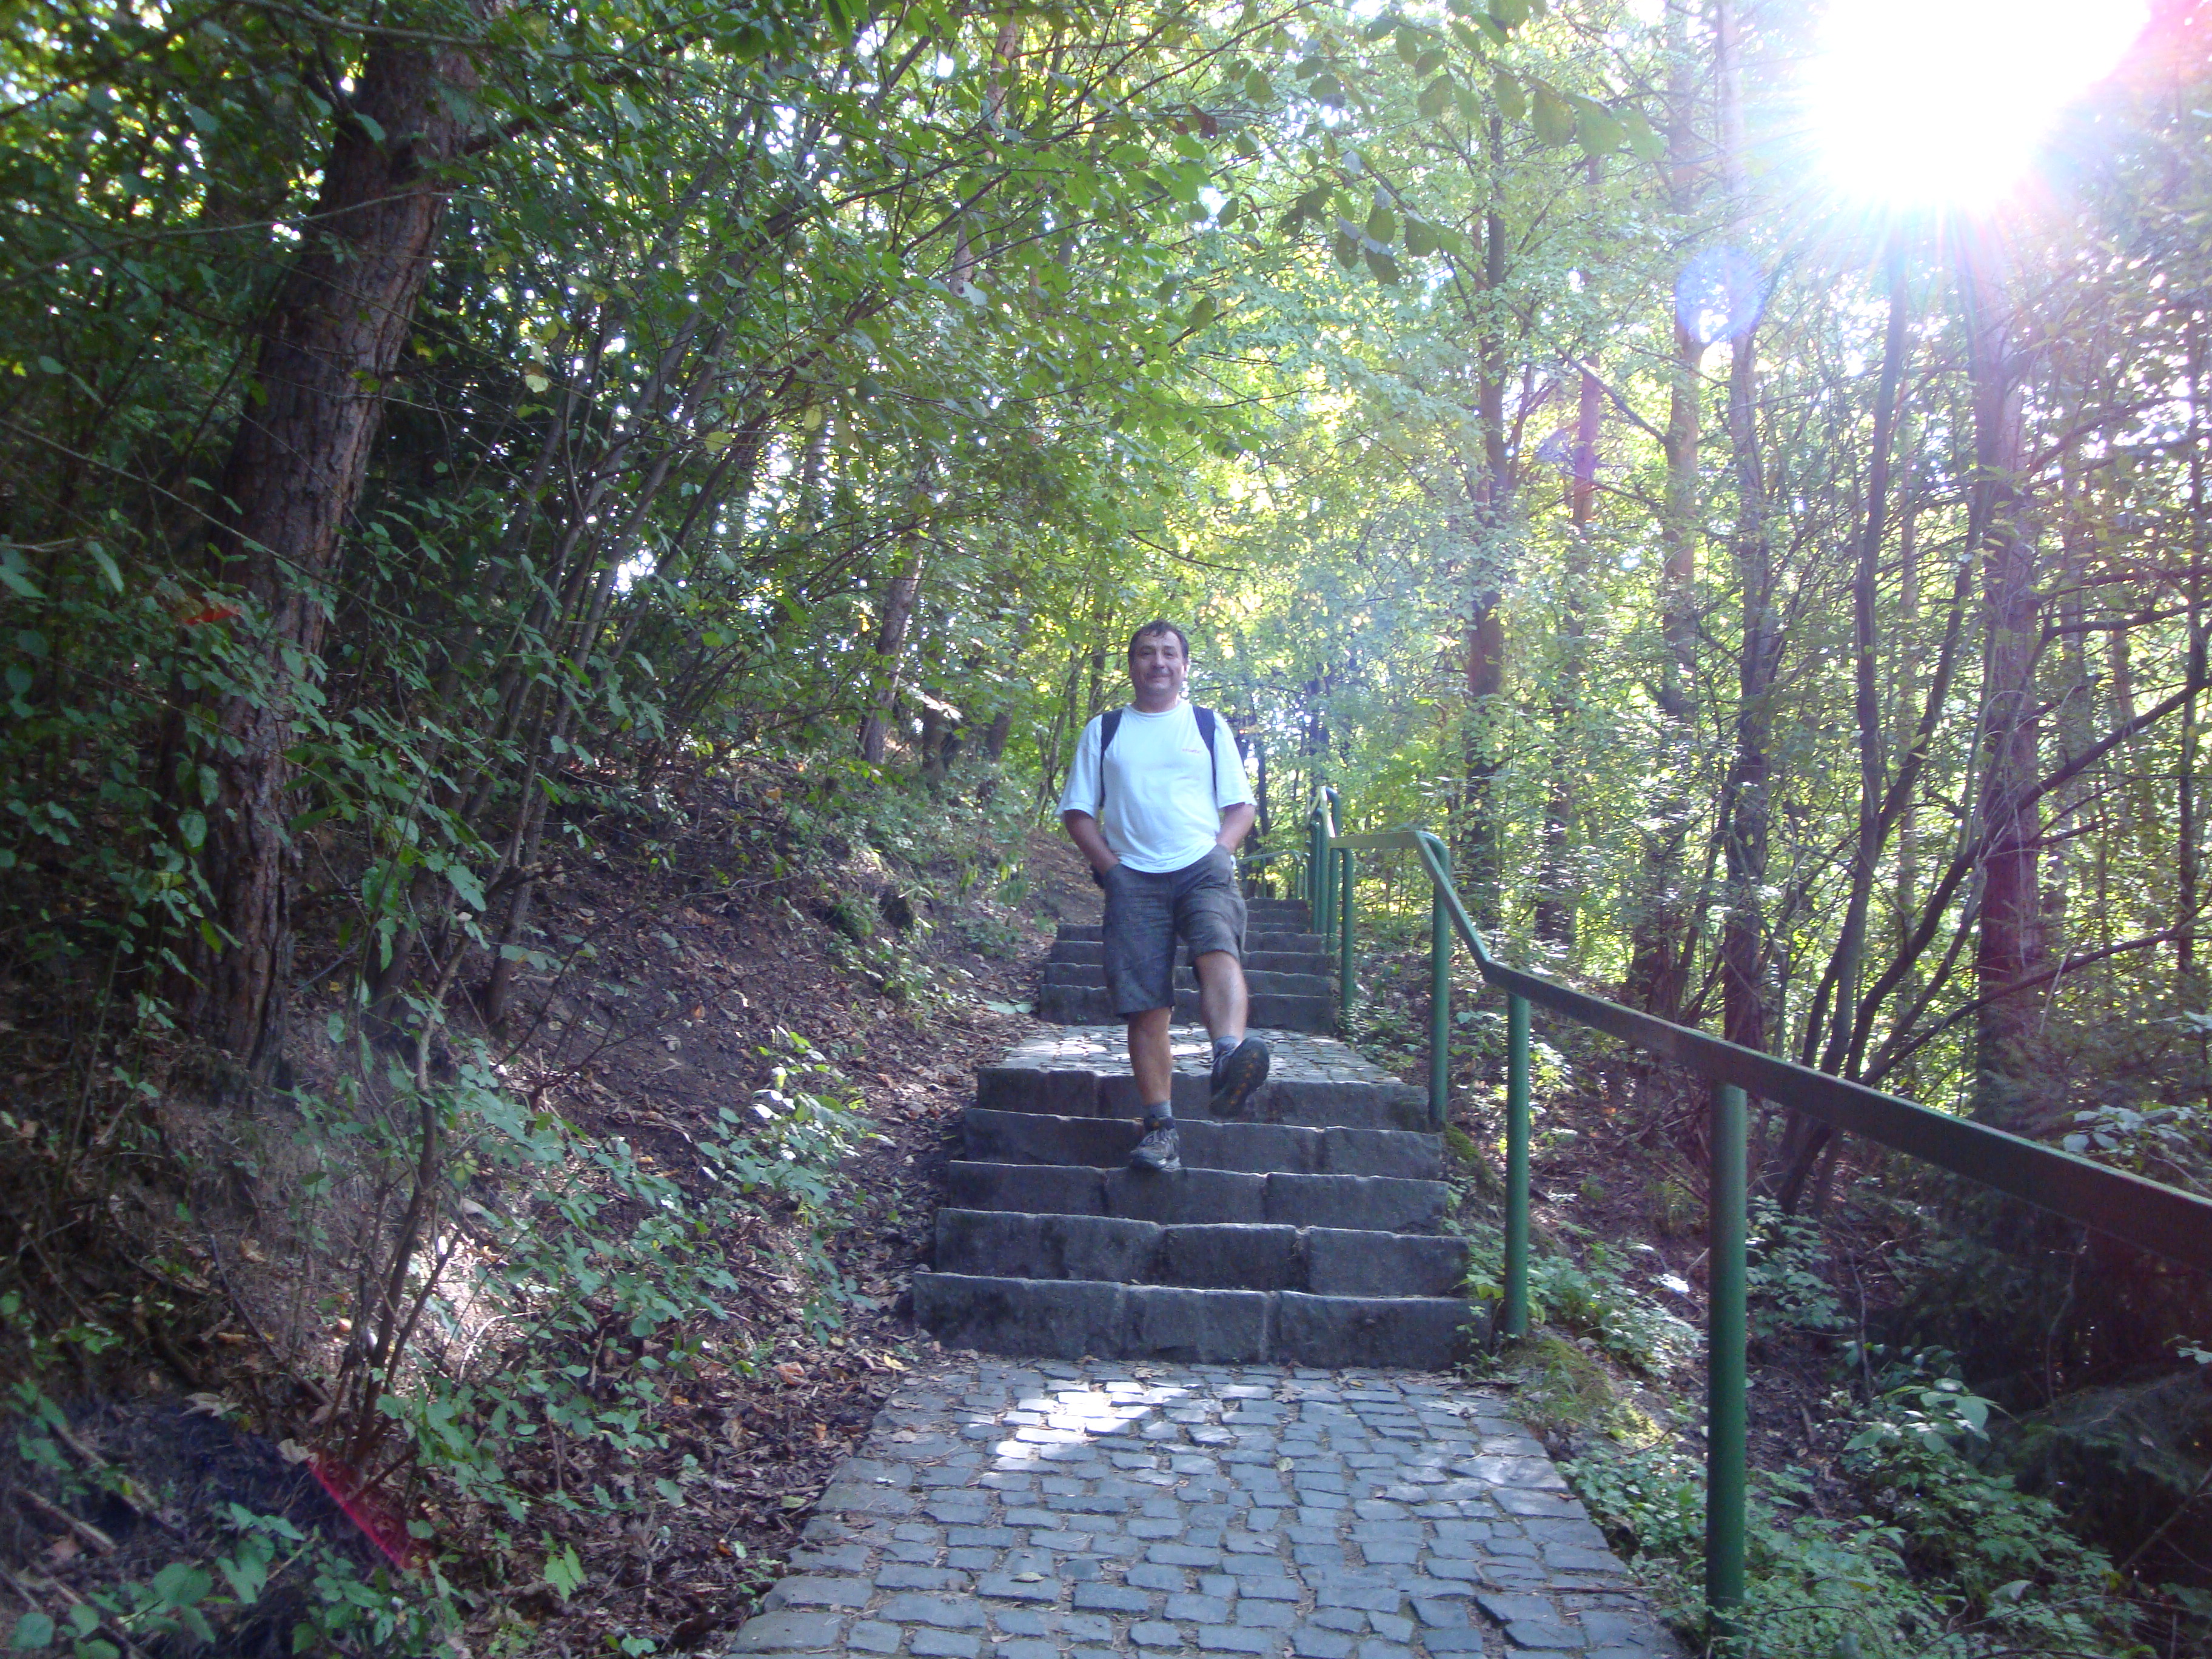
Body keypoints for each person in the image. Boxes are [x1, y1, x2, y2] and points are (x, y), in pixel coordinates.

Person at [1057, 621, 1270, 1174]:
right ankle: (1160, 1132)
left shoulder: (1207, 725)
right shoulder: (1105, 730)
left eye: (1169, 653)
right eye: (1147, 653)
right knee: (1147, 1002)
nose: (1158, 662)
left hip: (1201, 865)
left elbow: (1241, 805)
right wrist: (1113, 871)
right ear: (1131, 665)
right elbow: (1078, 812)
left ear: (1184, 665)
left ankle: (1228, 1059)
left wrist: (1222, 851)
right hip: (1134, 877)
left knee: (1218, 947)